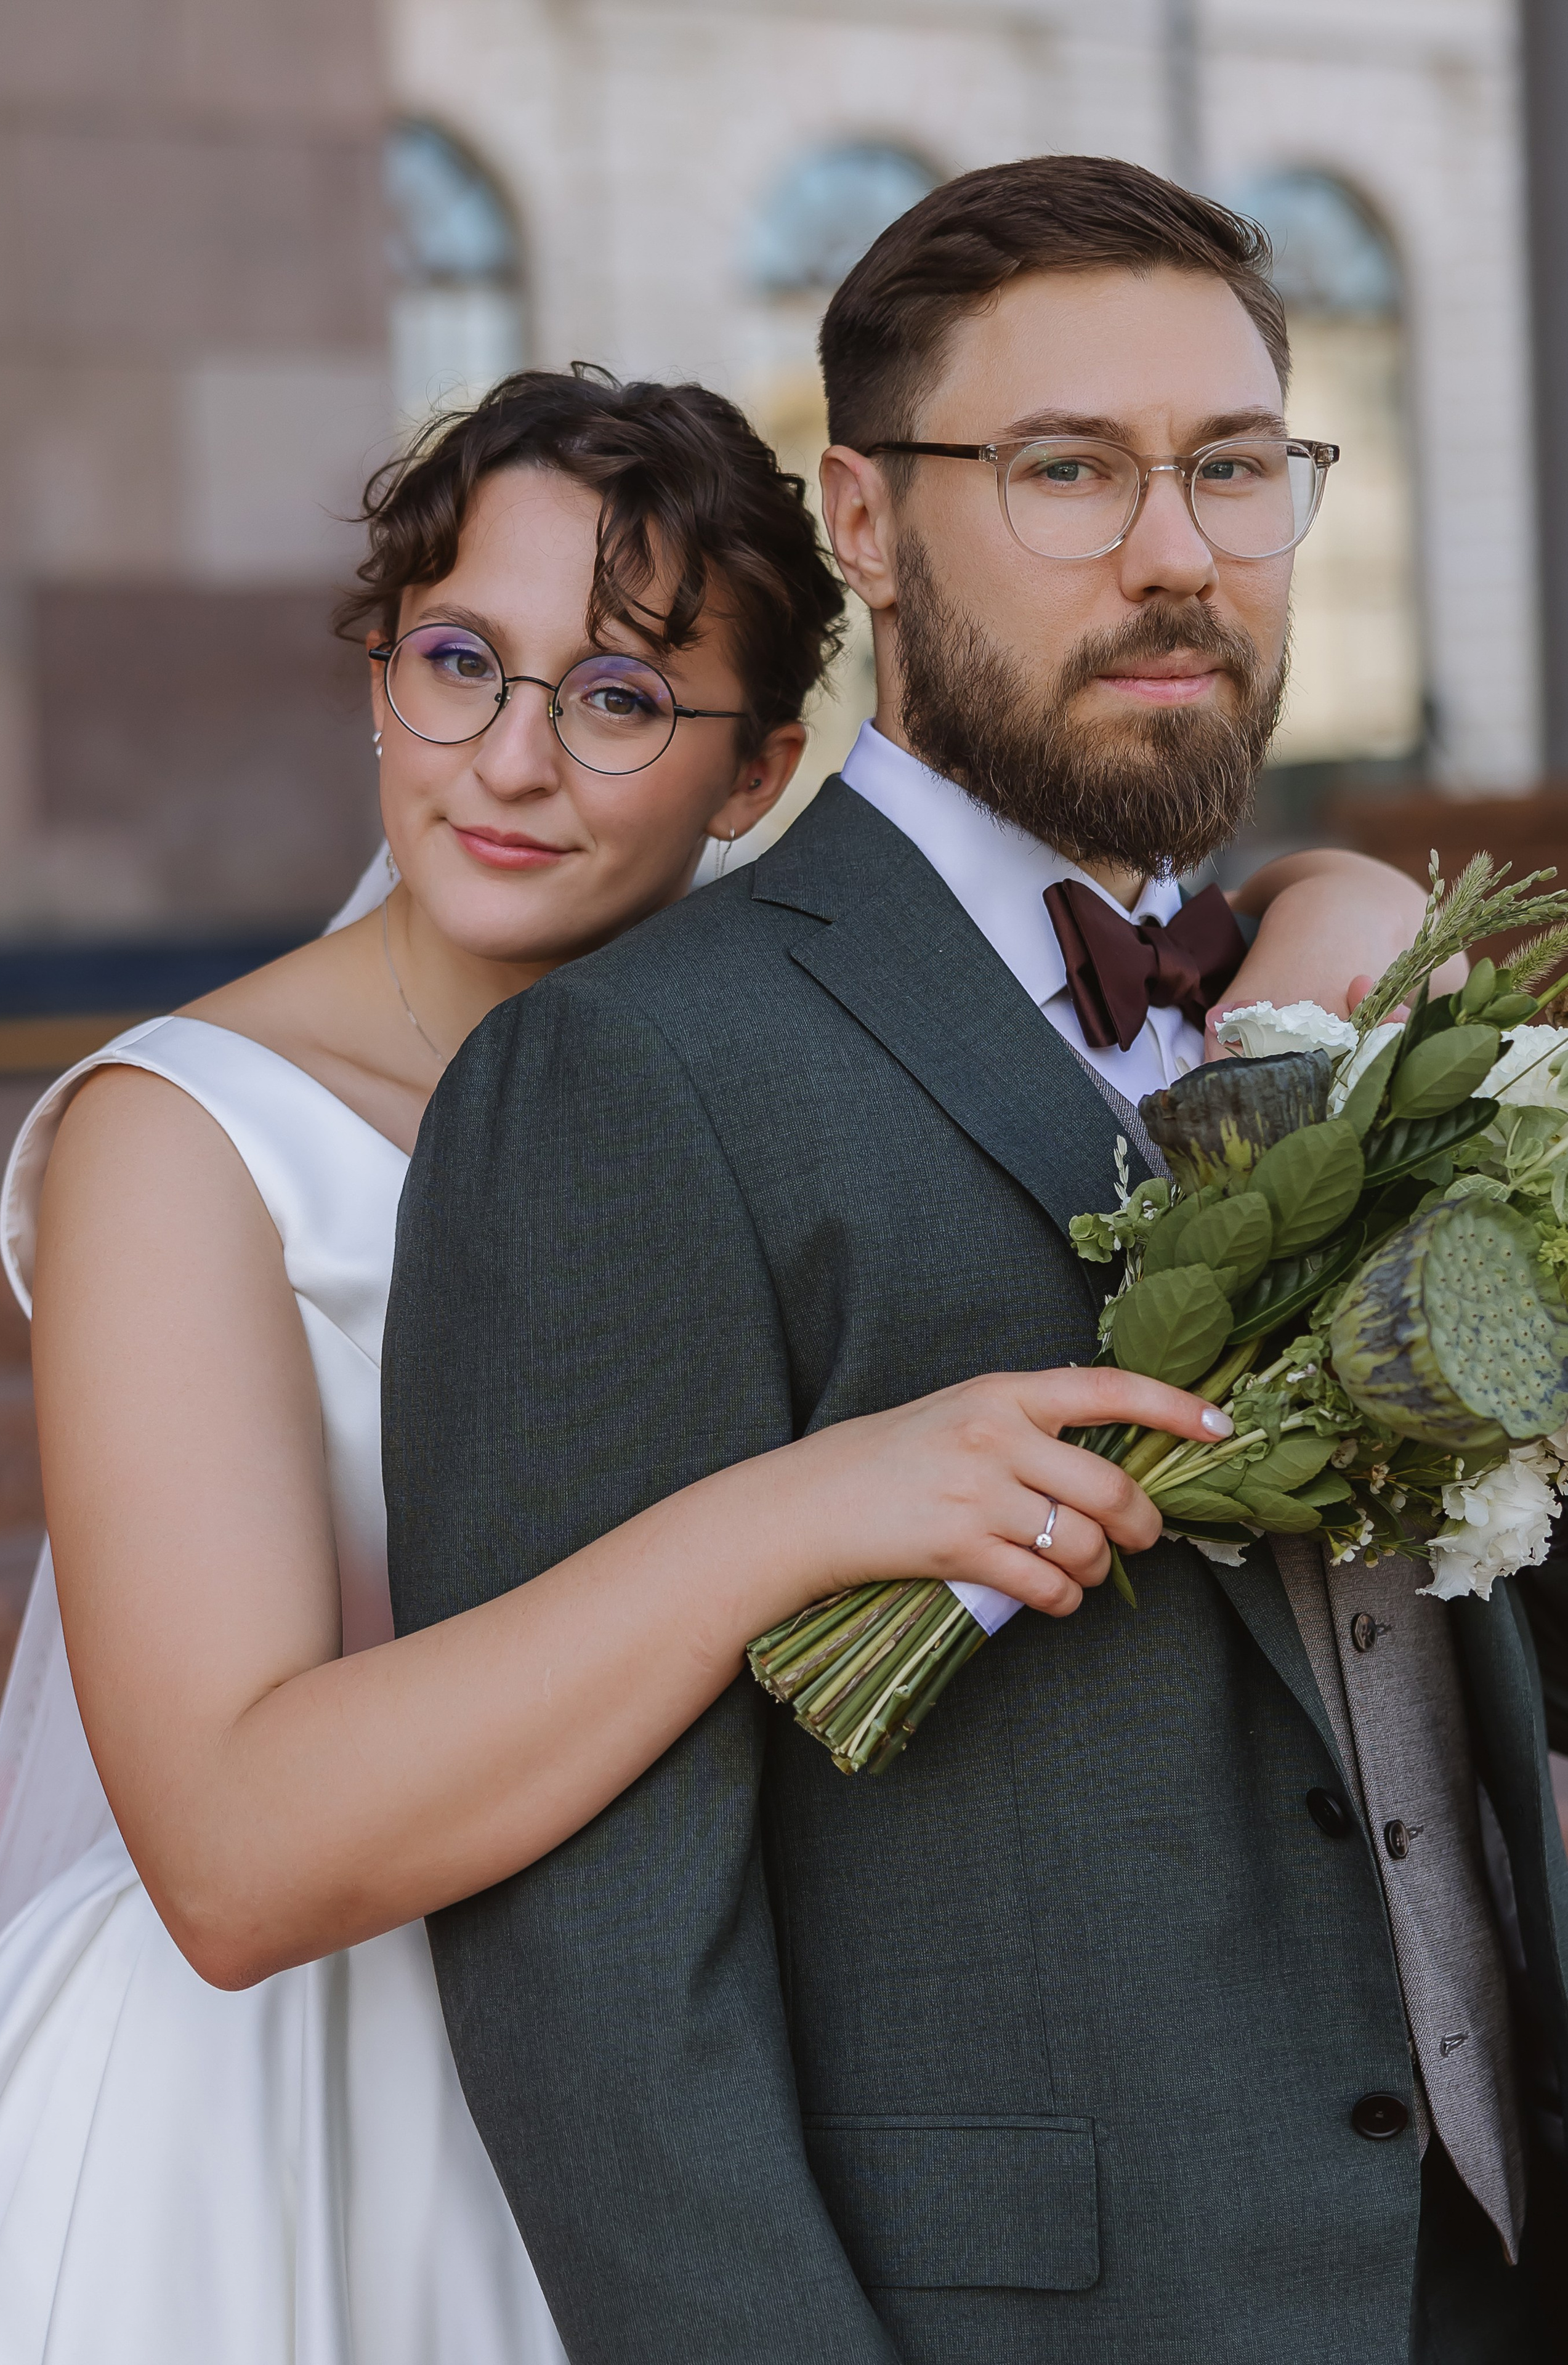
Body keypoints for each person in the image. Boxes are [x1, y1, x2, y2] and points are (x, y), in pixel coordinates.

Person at [0, 366, 1405, 2364]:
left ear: (755, 778)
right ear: (378, 666)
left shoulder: (793, 1036)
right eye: (460, 662)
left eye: (625, 698)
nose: (512, 761)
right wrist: (798, 1514)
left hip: (734, 2076)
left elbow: (1274, 902)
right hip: (304, 2132)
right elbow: (232, 1861)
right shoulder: (188, 1136)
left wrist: (1346, 927)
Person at [386, 164, 1568, 2363]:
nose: (1175, 552)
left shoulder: (1366, 1008)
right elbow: (597, 1964)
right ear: (861, 521)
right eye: (1064, 471)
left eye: (1233, 468)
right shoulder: (634, 1074)